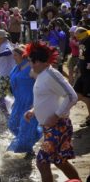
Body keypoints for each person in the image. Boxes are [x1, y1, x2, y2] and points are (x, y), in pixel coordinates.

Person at [24, 42, 80, 182]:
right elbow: (47, 99)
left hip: (59, 126)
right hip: (51, 127)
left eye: (30, 61)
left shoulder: (51, 74)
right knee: (59, 161)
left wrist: (56, 115)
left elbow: (72, 96)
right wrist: (33, 111)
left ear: (37, 61)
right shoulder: (42, 74)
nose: (30, 65)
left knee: (42, 162)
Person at [7, 45, 42, 158]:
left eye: (15, 55)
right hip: (18, 101)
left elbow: (41, 84)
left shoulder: (30, 68)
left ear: (22, 55)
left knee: (26, 126)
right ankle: (31, 138)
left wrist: (37, 101)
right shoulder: (16, 67)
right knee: (12, 125)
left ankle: (28, 149)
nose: (13, 58)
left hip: (29, 102)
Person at [74, 27, 90, 127]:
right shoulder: (81, 41)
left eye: (77, 35)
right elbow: (82, 55)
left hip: (89, 74)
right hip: (83, 73)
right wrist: (78, 65)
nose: (76, 38)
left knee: (87, 96)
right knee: (76, 93)